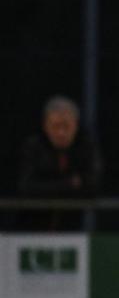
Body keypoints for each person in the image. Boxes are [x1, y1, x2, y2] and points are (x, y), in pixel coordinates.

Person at [18, 96, 101, 231]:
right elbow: (27, 188)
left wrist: (48, 185)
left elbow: (92, 187)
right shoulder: (33, 147)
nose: (61, 133)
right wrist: (69, 184)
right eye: (56, 126)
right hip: (32, 228)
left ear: (76, 125)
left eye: (66, 126)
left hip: (75, 228)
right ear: (45, 126)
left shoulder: (86, 147)